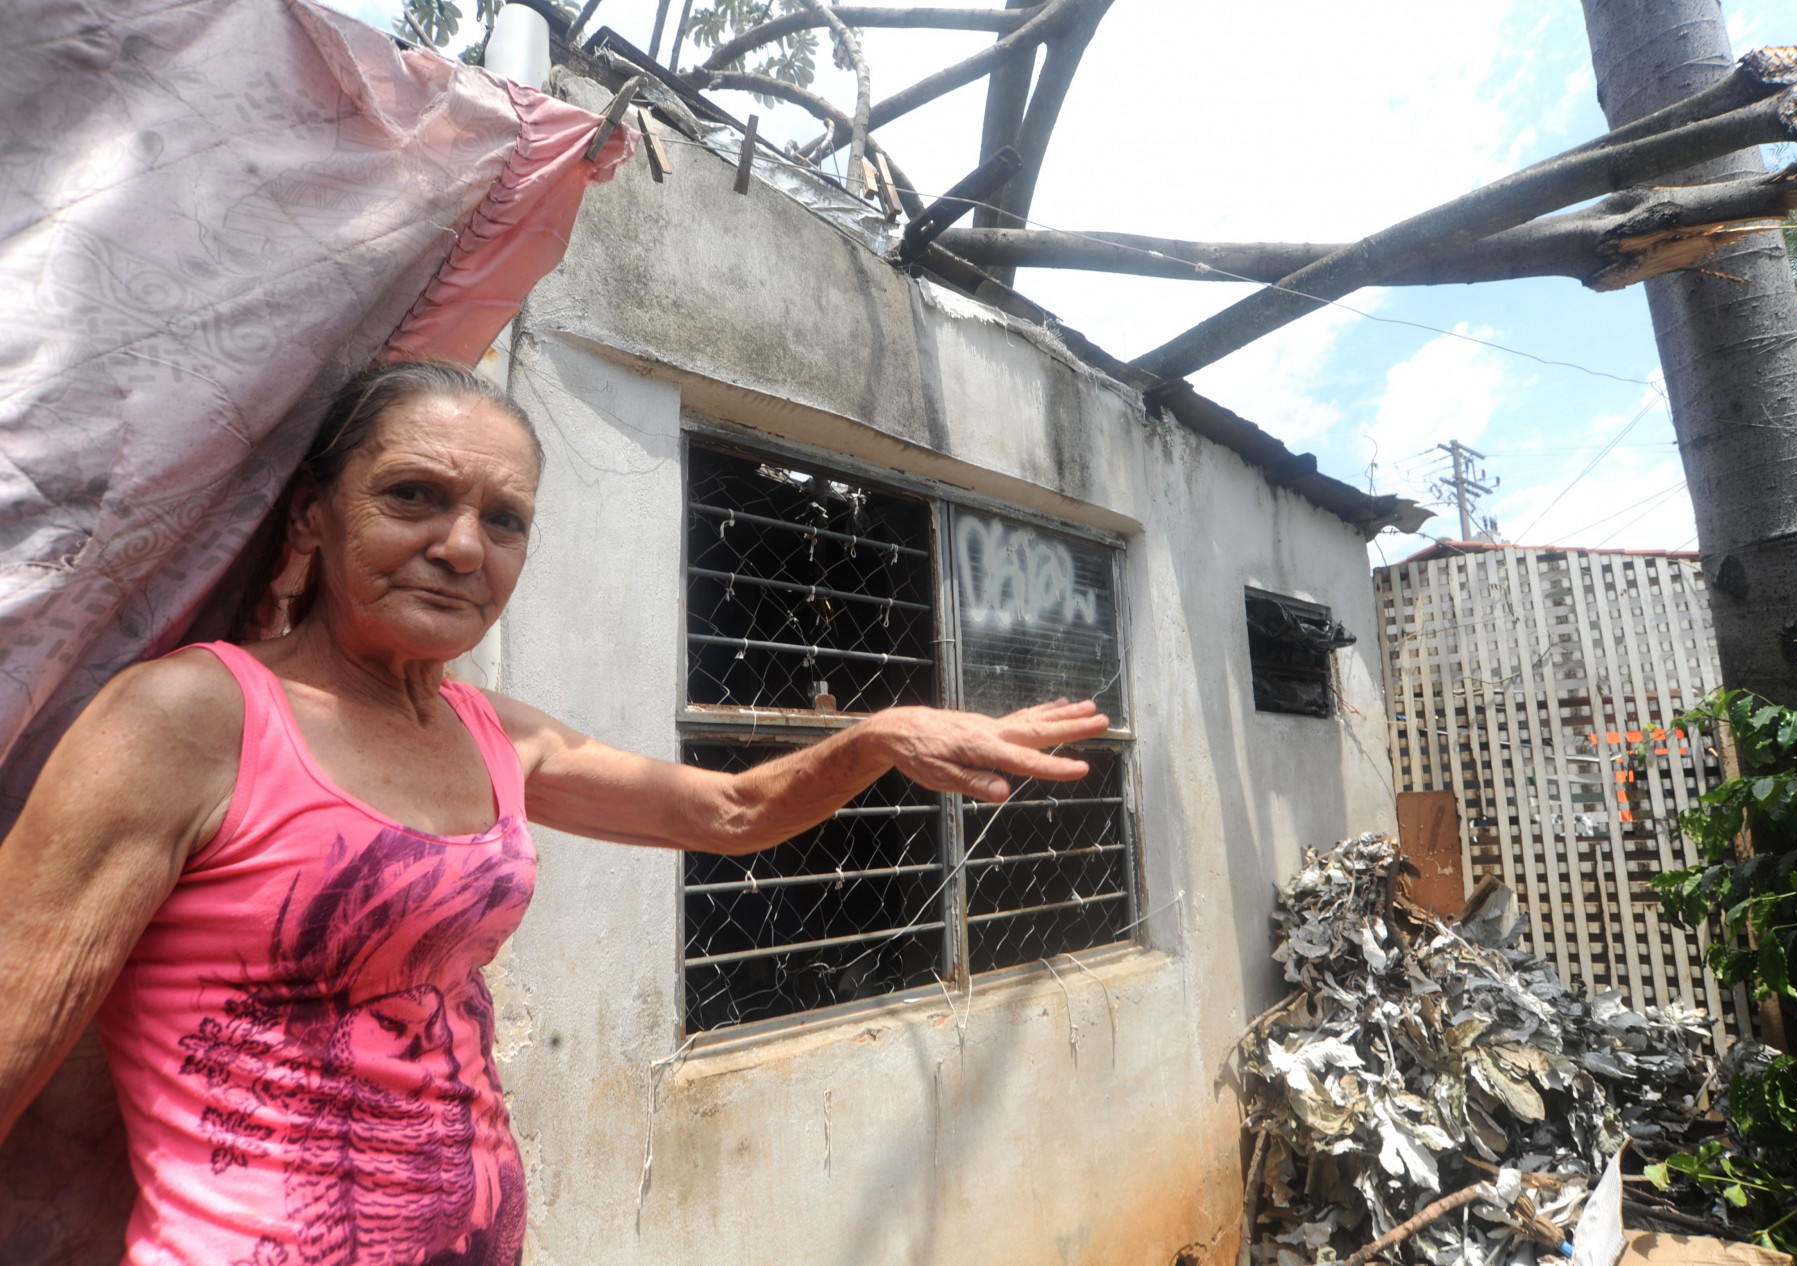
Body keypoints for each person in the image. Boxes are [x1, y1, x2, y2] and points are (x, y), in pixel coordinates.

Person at [0, 360, 1107, 1266]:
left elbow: (728, 812)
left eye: (505, 518)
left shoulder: (495, 734)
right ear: (312, 518)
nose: (463, 547)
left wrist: (880, 736)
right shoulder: (191, 719)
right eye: (412, 496)